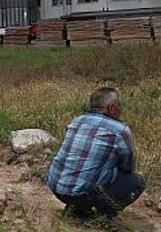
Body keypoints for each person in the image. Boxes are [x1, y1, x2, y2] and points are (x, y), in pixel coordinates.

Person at [46, 87, 144, 219]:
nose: (121, 109)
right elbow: (128, 167)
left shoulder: (76, 121)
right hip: (81, 194)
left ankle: (76, 208)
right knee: (135, 181)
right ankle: (101, 215)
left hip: (57, 188)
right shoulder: (120, 130)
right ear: (111, 107)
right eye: (119, 105)